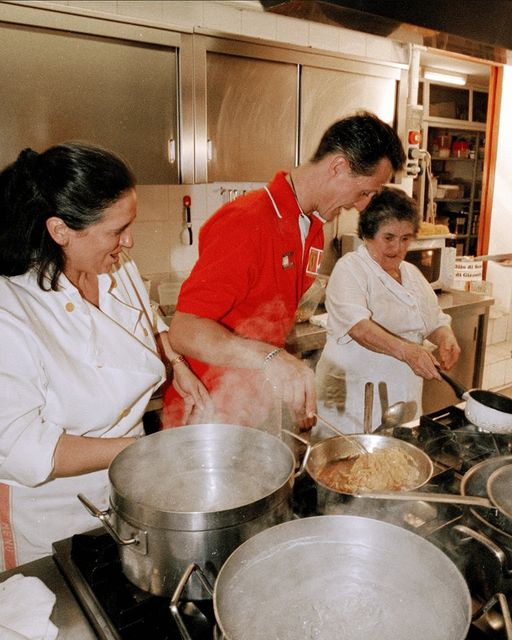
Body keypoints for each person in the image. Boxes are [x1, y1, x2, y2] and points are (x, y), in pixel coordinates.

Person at [0, 142, 208, 570]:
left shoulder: (117, 268)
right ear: (60, 231)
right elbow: (25, 447)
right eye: (117, 230)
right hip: (51, 517)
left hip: (125, 493)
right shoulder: (11, 311)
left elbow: (147, 322)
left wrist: (177, 364)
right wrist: (141, 449)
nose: (128, 241)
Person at [164, 111, 406, 432]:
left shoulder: (313, 227)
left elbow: (267, 320)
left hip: (252, 405)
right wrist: (272, 360)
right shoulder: (246, 222)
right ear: (338, 167)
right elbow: (184, 330)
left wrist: (288, 374)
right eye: (365, 192)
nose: (362, 206)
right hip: (207, 411)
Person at [315, 186, 461, 435]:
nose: (397, 247)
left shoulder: (411, 274)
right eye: (389, 237)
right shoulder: (351, 269)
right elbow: (359, 328)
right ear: (368, 235)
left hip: (401, 398)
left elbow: (433, 319)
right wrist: (406, 352)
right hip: (353, 398)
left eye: (405, 238)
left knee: (396, 464)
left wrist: (445, 336)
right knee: (349, 467)